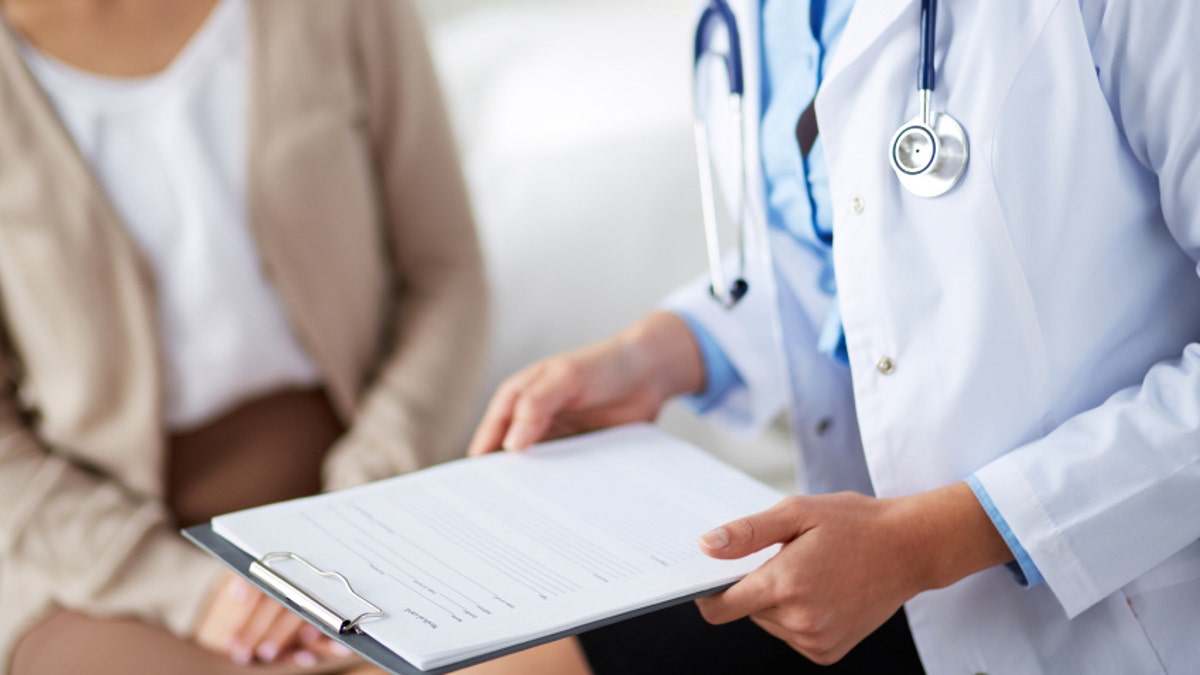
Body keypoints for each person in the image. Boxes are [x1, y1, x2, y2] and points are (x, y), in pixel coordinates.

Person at [469, 0, 1200, 673]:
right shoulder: (774, 16)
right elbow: (843, 258)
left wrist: (931, 539)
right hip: (871, 578)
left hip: (1118, 604)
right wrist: (663, 352)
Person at [0, 0, 492, 672]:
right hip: (99, 562)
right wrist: (196, 592)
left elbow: (446, 274)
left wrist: (368, 504)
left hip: (371, 485)